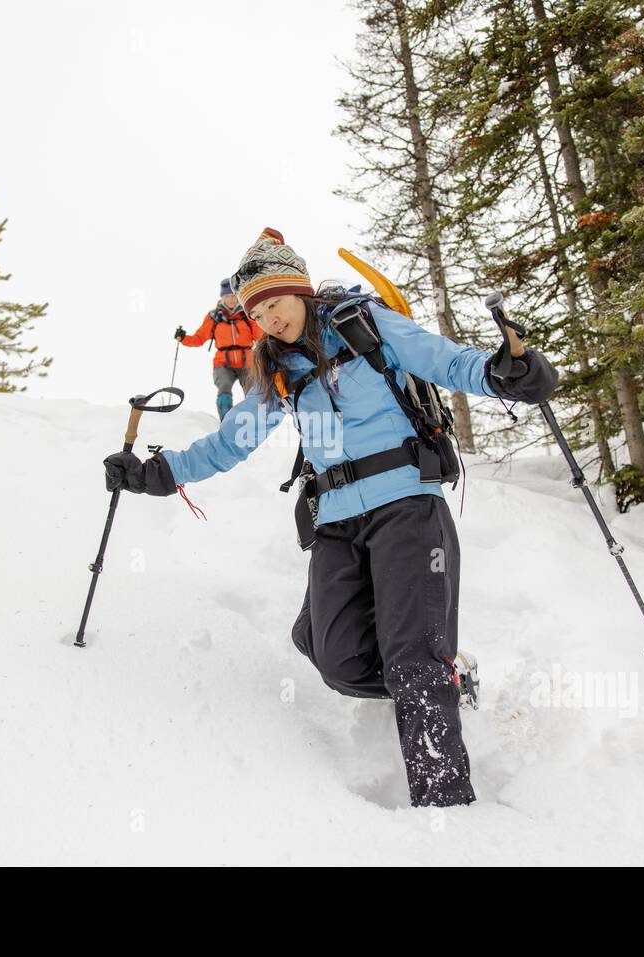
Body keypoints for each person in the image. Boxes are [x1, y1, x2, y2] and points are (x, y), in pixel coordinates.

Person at [104, 228, 558, 807]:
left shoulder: (362, 324)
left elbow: (447, 362)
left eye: (275, 302)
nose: (268, 319)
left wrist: (507, 374)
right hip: (338, 520)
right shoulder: (278, 371)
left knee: (411, 661)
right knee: (333, 655)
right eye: (256, 312)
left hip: (407, 506)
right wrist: (158, 472)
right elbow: (230, 441)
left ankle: (449, 814)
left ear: (300, 290)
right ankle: (446, 674)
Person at [175, 278, 262, 421]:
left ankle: (254, 421)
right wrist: (183, 338)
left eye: (234, 296)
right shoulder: (214, 317)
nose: (232, 300)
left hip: (247, 360)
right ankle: (226, 422)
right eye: (228, 296)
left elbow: (260, 335)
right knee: (224, 388)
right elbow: (199, 338)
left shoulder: (247, 314)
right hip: (223, 362)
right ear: (222, 297)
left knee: (252, 391)